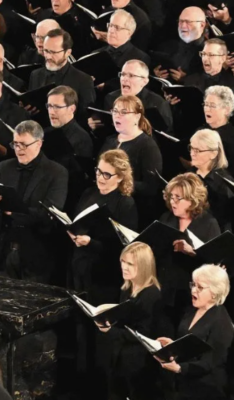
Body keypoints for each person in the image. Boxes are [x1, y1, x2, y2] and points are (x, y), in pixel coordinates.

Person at [0, 120, 68, 283]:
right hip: (4, 252)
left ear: (39, 143)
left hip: (36, 254)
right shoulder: (5, 167)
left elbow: (49, 214)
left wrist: (13, 212)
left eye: (24, 145)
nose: (18, 149)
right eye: (15, 144)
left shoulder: (57, 172)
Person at [96, 242, 164, 400]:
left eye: (130, 264)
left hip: (137, 363)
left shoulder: (151, 295)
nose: (124, 267)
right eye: (122, 262)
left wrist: (111, 331)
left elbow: (143, 334)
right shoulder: (127, 288)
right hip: (121, 356)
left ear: (144, 266)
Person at [156, 264, 233, 400]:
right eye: (193, 284)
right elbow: (192, 344)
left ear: (215, 292)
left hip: (207, 390)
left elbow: (212, 362)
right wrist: (174, 345)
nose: (193, 291)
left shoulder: (221, 322)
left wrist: (180, 368)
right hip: (184, 386)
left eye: (200, 287)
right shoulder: (192, 309)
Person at [69, 149, 137, 301]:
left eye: (107, 174)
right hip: (80, 264)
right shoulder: (88, 193)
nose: (100, 177)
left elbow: (125, 245)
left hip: (104, 273)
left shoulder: (125, 203)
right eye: (98, 171)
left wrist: (90, 242)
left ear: (119, 177)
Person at [159, 173, 221, 325]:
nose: (173, 202)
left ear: (192, 200)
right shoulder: (166, 218)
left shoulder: (208, 224)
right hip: (164, 291)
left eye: (178, 198)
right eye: (171, 197)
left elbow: (216, 263)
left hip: (191, 295)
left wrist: (192, 252)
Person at [101, 95, 162, 228]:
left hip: (132, 210)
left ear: (137, 117)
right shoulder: (109, 140)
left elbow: (151, 187)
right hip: (107, 202)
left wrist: (120, 182)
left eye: (124, 112)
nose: (117, 115)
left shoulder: (147, 145)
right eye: (115, 111)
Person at [28, 29, 96, 124]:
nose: (48, 56)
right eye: (46, 51)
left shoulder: (83, 80)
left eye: (53, 52)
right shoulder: (35, 75)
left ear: (68, 52)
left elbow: (85, 118)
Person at [103, 60, 173, 132]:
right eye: (123, 74)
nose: (124, 79)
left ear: (144, 81)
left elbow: (166, 136)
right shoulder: (110, 98)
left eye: (131, 75)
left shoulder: (158, 103)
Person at [188, 129, 233, 232]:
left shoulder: (224, 183)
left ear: (213, 153)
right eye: (191, 148)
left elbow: (224, 217)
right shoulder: (189, 173)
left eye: (198, 150)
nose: (192, 153)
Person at [153, 6, 206, 82]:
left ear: (202, 25)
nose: (183, 26)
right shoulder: (167, 46)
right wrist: (157, 74)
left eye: (188, 22)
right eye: (180, 21)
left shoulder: (208, 52)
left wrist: (186, 79)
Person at [202, 85, 234, 177]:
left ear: (226, 110)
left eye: (212, 106)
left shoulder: (231, 138)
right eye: (206, 104)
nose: (207, 109)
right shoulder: (201, 130)